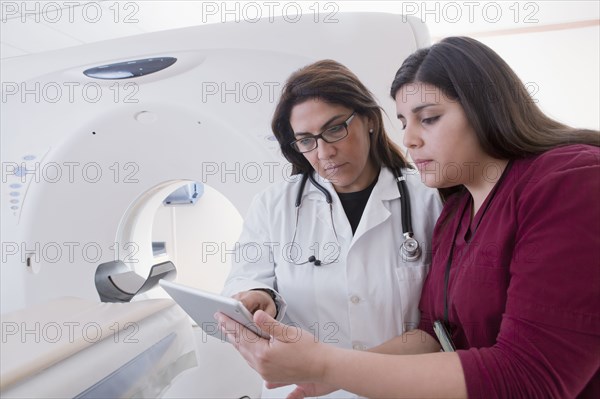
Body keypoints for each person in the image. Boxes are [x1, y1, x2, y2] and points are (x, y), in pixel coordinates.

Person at [217, 36, 600, 398]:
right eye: (404, 122)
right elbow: (433, 333)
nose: (410, 139)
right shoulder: (458, 212)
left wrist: (327, 365)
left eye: (428, 118)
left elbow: (531, 377)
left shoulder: (567, 180)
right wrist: (326, 373)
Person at [220, 59, 443, 398]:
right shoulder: (273, 205)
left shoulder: (429, 198)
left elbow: (446, 323)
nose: (325, 152)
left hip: (404, 387)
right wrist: (258, 296)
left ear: (368, 120)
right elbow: (245, 279)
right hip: (304, 390)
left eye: (335, 129)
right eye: (306, 140)